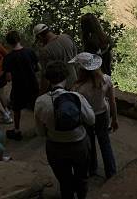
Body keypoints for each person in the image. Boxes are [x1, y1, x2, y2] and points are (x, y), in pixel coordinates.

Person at [34, 65, 95, 199]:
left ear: (48, 80)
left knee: (64, 179)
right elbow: (91, 120)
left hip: (55, 146)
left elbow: (40, 132)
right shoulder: (76, 97)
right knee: (82, 177)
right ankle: (82, 195)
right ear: (65, 78)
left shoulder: (40, 102)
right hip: (79, 142)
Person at [72, 53, 118, 179]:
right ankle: (111, 172)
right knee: (105, 143)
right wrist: (115, 119)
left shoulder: (78, 88)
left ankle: (92, 168)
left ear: (82, 70)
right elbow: (112, 101)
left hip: (87, 117)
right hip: (102, 114)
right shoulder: (106, 80)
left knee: (89, 143)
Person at [3, 31, 40, 141]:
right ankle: (41, 128)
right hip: (32, 84)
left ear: (8, 43)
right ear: (19, 39)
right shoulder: (30, 52)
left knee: (17, 109)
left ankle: (17, 130)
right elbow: (38, 68)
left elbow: (8, 78)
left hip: (18, 86)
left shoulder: (8, 58)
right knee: (35, 107)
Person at [34, 24, 78, 92]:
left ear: (39, 37)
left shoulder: (45, 51)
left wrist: (41, 92)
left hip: (60, 87)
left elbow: (45, 75)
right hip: (74, 81)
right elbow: (76, 57)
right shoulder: (67, 37)